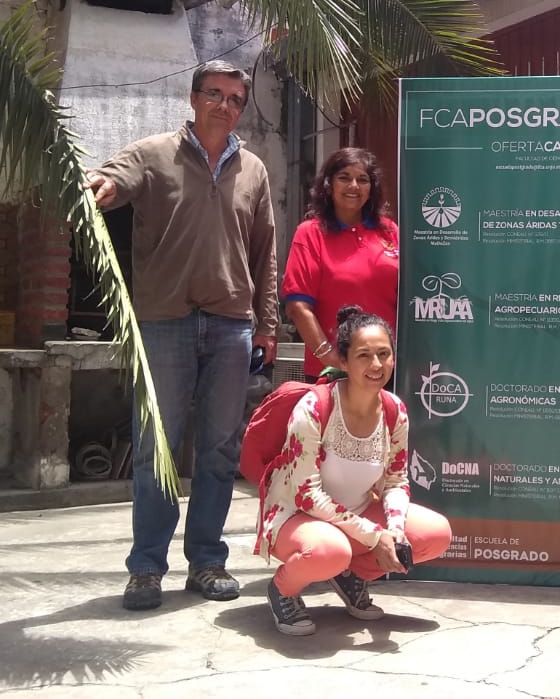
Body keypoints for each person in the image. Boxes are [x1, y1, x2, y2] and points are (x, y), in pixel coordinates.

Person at [87, 59, 278, 611]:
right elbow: (115, 177)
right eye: (214, 94)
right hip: (163, 323)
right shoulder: (153, 153)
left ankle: (207, 561)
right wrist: (102, 184)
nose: (225, 105)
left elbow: (266, 254)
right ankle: (146, 567)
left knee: (219, 451)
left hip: (230, 326)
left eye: (236, 98)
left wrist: (265, 324)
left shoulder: (256, 171)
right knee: (157, 451)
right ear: (193, 98)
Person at [254, 305, 452, 635]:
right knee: (330, 551)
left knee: (436, 534)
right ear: (343, 361)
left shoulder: (394, 410)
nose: (376, 365)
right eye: (363, 355)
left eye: (383, 354)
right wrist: (374, 536)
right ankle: (283, 590)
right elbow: (307, 495)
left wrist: (395, 530)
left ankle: (350, 575)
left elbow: (396, 480)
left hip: (352, 515)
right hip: (295, 515)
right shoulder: (315, 408)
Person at [283, 148, 399, 381]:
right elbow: (297, 307)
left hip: (384, 371)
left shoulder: (389, 231)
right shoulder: (310, 234)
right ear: (329, 185)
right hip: (333, 372)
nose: (353, 186)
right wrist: (332, 358)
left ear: (372, 188)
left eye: (362, 179)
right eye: (344, 177)